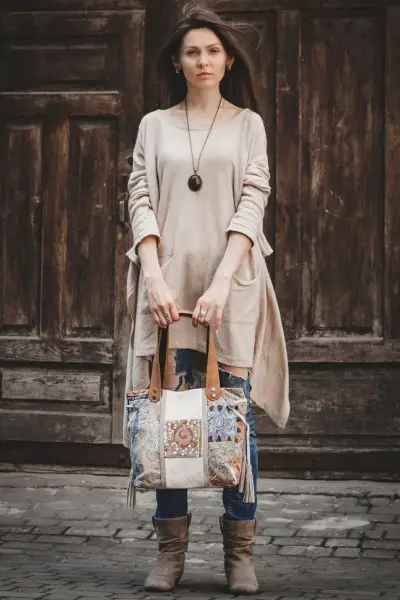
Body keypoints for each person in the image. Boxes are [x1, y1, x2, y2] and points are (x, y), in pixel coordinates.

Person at [123, 2, 290, 594]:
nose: (203, 59)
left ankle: (239, 554)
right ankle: (171, 553)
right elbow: (140, 197)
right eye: (192, 50)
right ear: (176, 61)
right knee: (174, 421)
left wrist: (221, 282)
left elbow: (254, 199)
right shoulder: (154, 125)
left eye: (213, 50)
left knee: (233, 422)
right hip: (167, 290)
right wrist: (154, 278)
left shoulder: (248, 125)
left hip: (232, 289)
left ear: (227, 59)